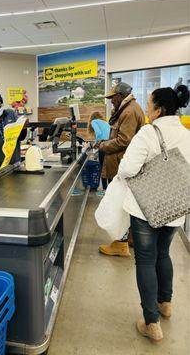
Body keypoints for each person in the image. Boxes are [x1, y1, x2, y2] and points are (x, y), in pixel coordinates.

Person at [117, 85, 190, 342]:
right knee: (163, 254)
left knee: (145, 261)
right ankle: (165, 303)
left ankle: (151, 323)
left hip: (146, 209)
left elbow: (126, 169)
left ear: (158, 109)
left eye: (149, 104)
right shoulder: (186, 133)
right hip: (174, 207)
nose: (146, 109)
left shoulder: (149, 132)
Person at [97, 82, 145, 257]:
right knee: (127, 205)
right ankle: (130, 238)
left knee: (119, 206)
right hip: (122, 164)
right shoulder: (128, 109)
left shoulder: (129, 111)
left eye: (112, 98)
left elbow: (124, 140)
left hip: (121, 165)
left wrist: (103, 145)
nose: (111, 102)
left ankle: (121, 244)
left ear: (121, 95)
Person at [88, 112, 110, 193]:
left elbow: (98, 133)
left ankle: (104, 189)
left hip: (103, 145)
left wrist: (96, 143)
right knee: (108, 168)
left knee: (102, 167)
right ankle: (109, 189)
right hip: (110, 145)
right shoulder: (105, 123)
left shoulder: (94, 122)